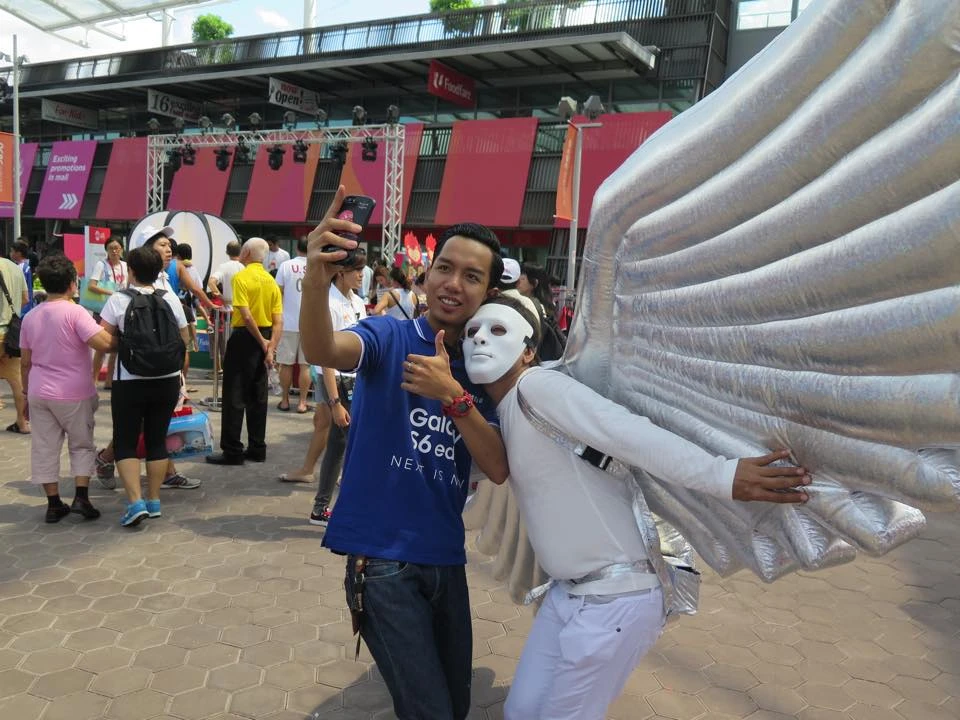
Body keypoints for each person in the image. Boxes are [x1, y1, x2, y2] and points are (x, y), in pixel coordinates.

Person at [459, 295, 812, 720]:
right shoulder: (503, 413)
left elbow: (629, 434)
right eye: (470, 333)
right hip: (567, 594)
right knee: (520, 709)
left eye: (497, 329)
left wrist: (722, 474)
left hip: (615, 598)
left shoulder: (538, 388)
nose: (480, 339)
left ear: (528, 350)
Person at [300, 186, 509, 720]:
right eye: (445, 268)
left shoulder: (483, 371)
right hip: (383, 562)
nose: (453, 284)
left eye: (472, 276)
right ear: (427, 274)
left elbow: (497, 466)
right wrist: (315, 278)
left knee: (454, 707)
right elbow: (324, 349)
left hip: (446, 559)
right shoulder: (389, 337)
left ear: (488, 292)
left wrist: (453, 396)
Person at [93, 226, 202, 491]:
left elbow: (181, 336)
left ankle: (157, 475)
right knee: (140, 429)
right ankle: (114, 461)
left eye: (169, 245)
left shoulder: (165, 282)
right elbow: (104, 340)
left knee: (153, 428)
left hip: (165, 373)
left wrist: (180, 371)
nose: (168, 249)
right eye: (162, 245)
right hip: (137, 374)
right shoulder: (126, 293)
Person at [19, 254, 116, 523]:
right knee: (81, 445)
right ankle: (81, 498)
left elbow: (25, 363)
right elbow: (103, 343)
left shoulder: (31, 317)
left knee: (44, 447)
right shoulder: (76, 312)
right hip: (75, 392)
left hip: (39, 391)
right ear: (73, 284)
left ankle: (53, 504)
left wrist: (26, 395)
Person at [99, 246, 190, 527]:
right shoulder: (170, 298)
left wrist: (127, 344)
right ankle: (154, 500)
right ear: (159, 271)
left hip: (130, 380)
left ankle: (135, 502)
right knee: (156, 440)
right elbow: (185, 338)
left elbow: (103, 338)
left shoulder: (118, 299)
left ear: (131, 271)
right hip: (167, 379)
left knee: (126, 441)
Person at [206, 237, 282, 465]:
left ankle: (233, 450)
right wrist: (270, 347)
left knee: (235, 395)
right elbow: (278, 320)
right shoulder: (270, 281)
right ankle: (257, 448)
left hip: (245, 337)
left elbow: (246, 316)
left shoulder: (241, 278)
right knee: (258, 395)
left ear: (246, 253)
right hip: (266, 335)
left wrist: (262, 342)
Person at [309, 250, 367, 525]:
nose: (361, 275)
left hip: (357, 380)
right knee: (350, 444)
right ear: (341, 272)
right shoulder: (329, 303)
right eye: (357, 270)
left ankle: (323, 508)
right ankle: (332, 509)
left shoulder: (358, 301)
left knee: (339, 444)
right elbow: (326, 357)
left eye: (362, 270)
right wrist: (334, 402)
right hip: (339, 383)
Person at [274, 236, 312, 413]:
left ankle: (285, 400)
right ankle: (303, 402)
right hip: (309, 323)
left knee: (286, 364)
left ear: (297, 248)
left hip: (288, 321)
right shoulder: (317, 266)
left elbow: (278, 291)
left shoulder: (286, 265)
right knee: (305, 365)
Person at [88, 238, 129, 388]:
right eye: (111, 248)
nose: (114, 251)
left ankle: (109, 380)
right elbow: (91, 286)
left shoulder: (125, 266)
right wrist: (110, 292)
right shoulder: (102, 265)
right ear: (106, 250)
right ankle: (93, 380)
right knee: (101, 346)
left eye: (117, 248)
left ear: (122, 249)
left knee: (115, 346)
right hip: (104, 310)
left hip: (120, 308)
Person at [0, 254, 29, 434]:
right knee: (16, 381)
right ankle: (22, 422)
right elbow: (25, 298)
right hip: (11, 334)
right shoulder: (14, 268)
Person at [10, 240, 34, 308]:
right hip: (26, 305)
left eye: (12, 251)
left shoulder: (21, 268)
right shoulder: (24, 266)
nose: (10, 253)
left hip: (22, 306)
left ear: (18, 253)